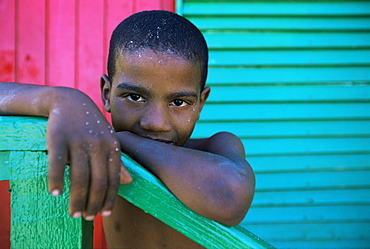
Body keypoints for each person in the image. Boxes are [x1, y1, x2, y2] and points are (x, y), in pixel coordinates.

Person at [0, 10, 255, 248]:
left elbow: (229, 196)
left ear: (200, 103)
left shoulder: (216, 147)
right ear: (107, 94)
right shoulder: (95, 139)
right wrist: (61, 99)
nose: (155, 122)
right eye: (134, 97)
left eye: (179, 102)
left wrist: (120, 139)